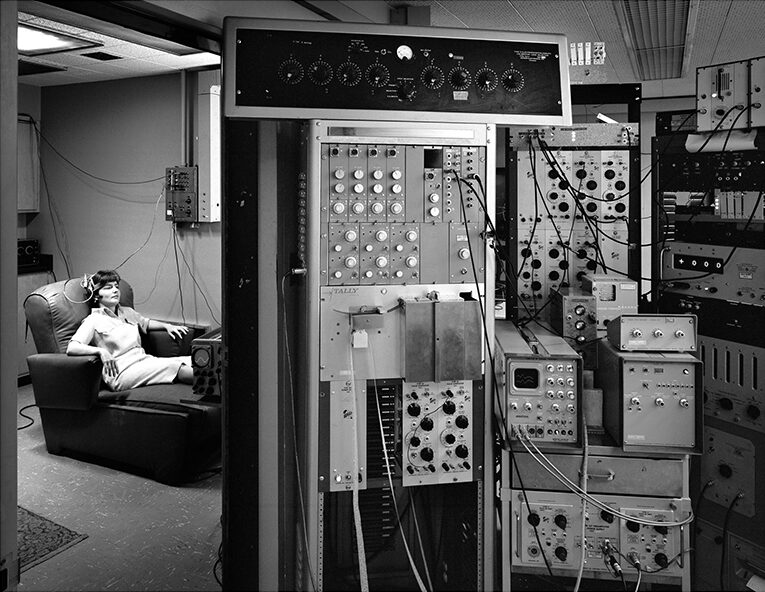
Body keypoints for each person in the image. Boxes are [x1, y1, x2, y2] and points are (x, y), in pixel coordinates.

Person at [67, 269, 193, 391]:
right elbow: (72, 347)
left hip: (144, 361)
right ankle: (206, 388)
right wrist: (101, 351)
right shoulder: (93, 319)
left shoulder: (127, 312)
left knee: (192, 360)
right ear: (96, 295)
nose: (115, 290)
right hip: (121, 372)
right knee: (174, 367)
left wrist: (167, 326)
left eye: (116, 286)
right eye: (108, 288)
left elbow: (145, 323)